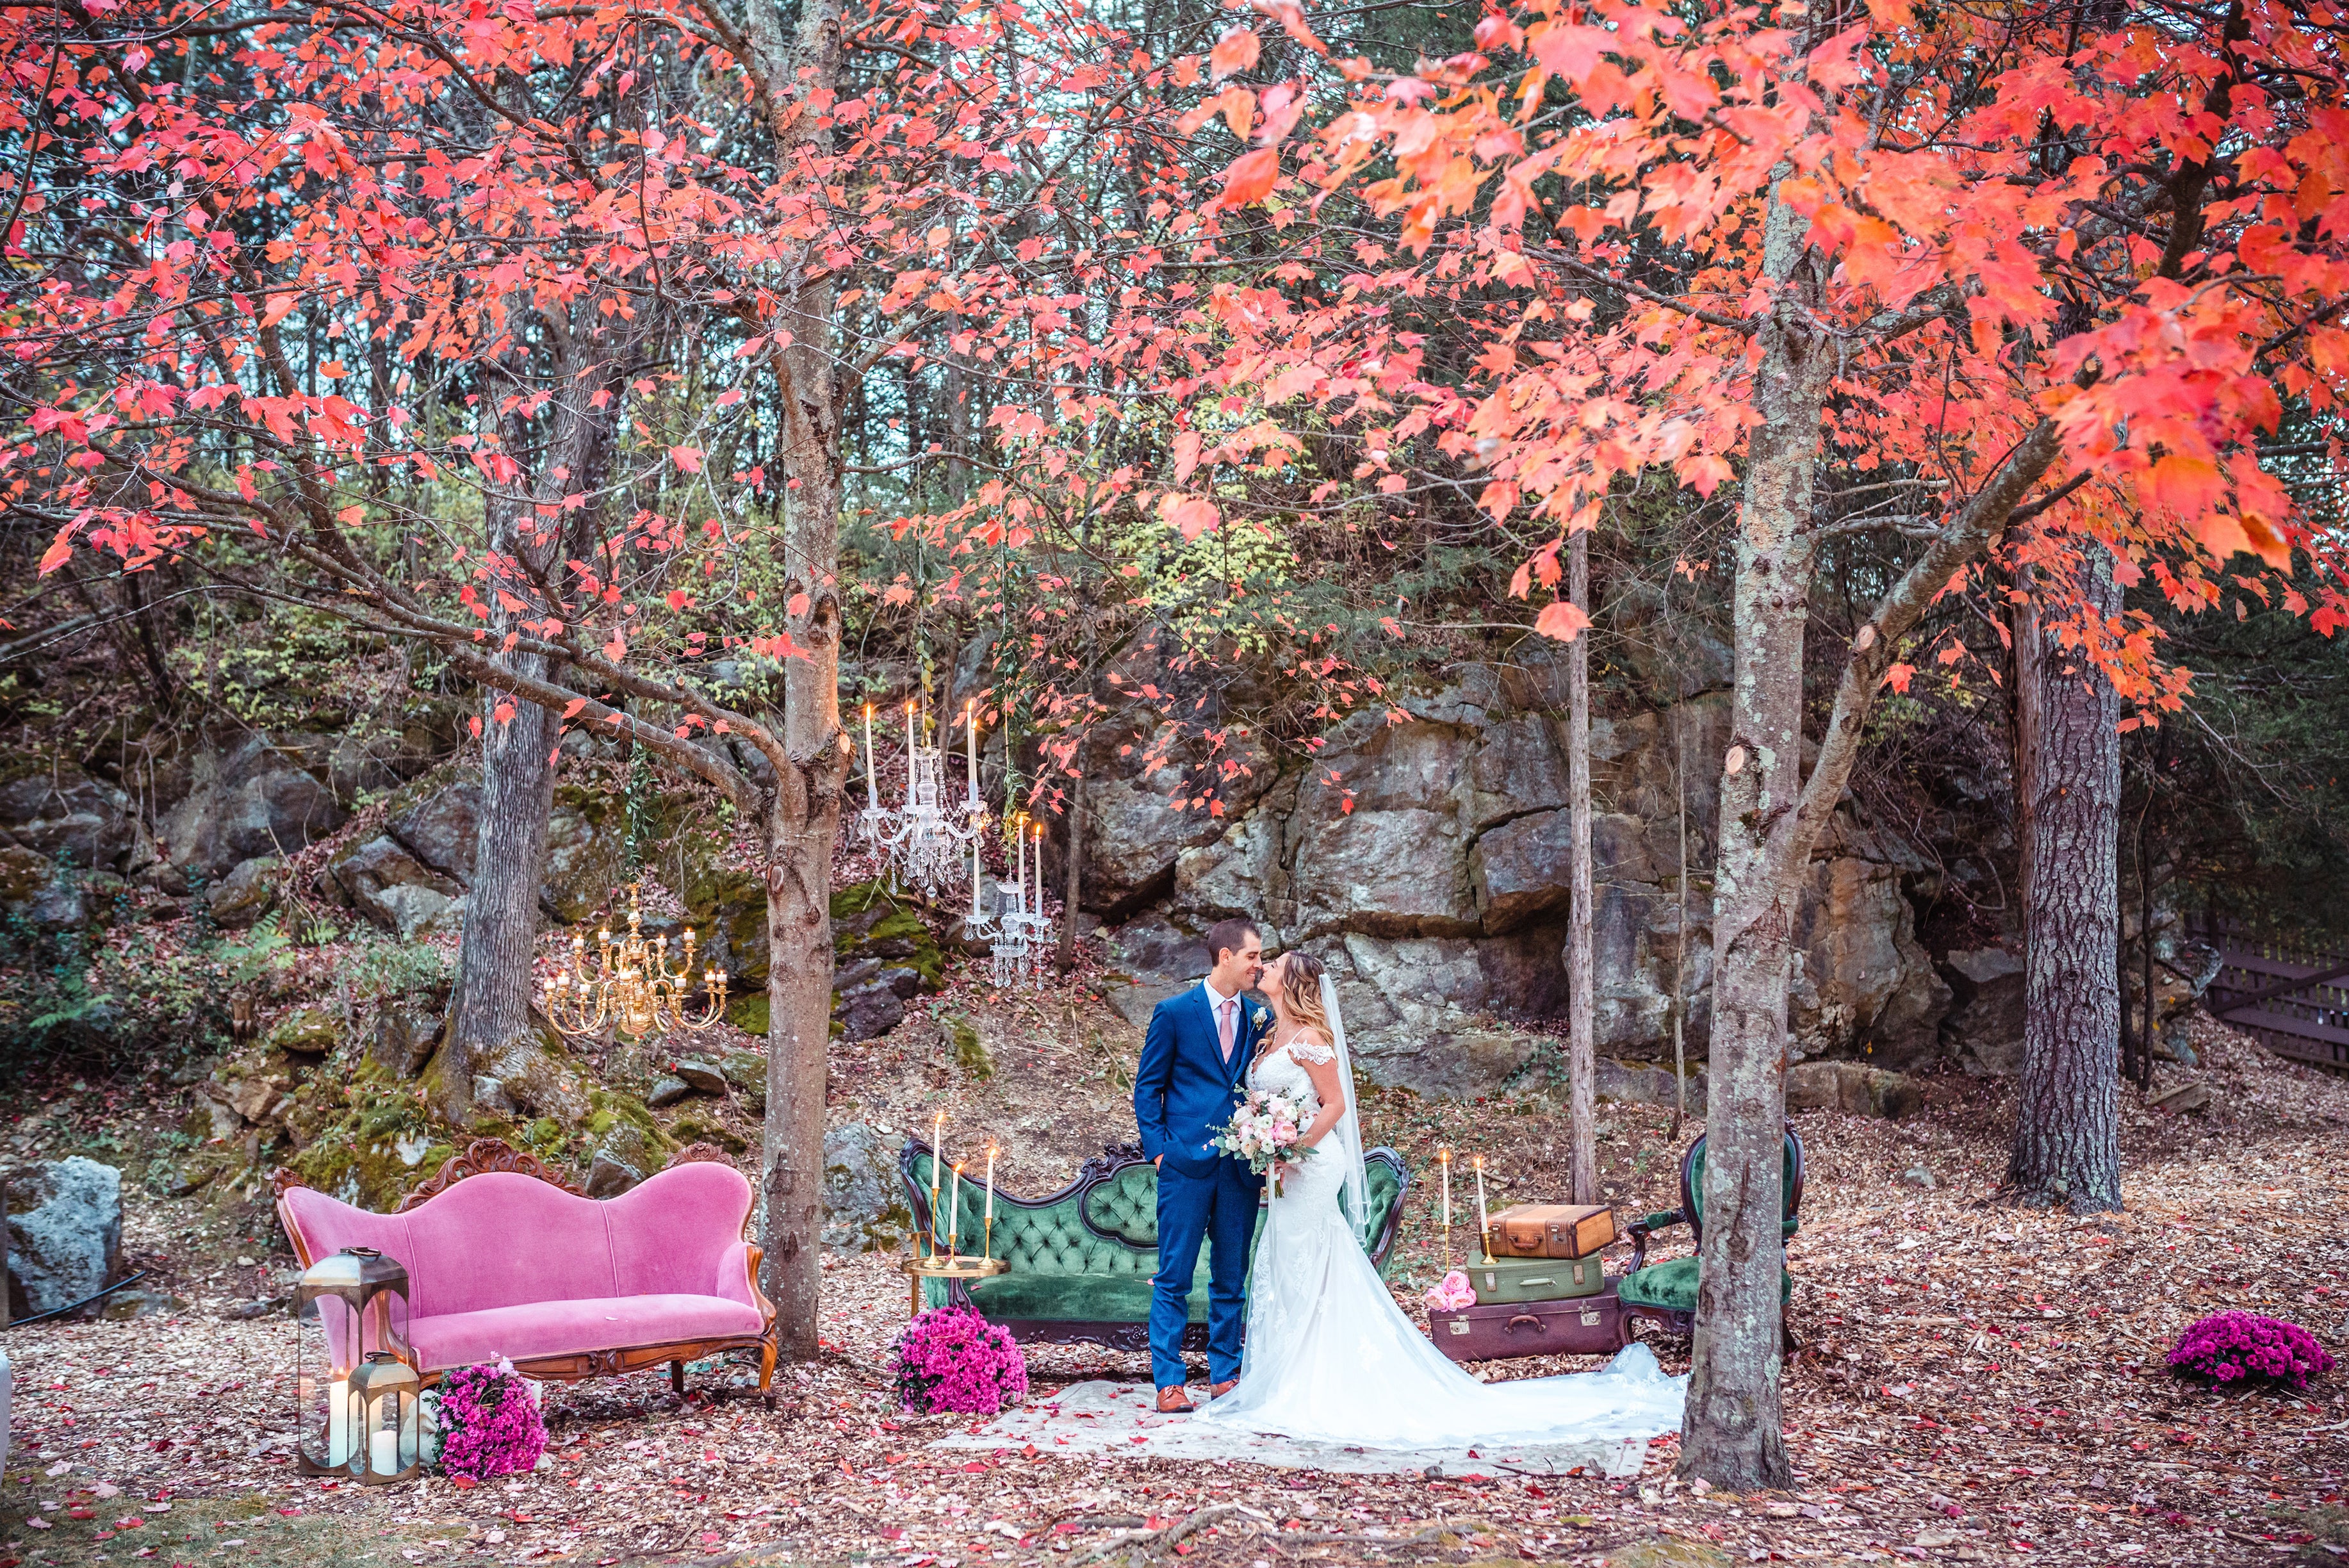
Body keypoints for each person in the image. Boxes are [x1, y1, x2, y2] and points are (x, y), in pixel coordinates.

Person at [1193, 948, 1687, 1450]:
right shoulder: (1267, 1035)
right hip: (1286, 1168)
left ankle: (1309, 1379)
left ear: (1293, 982)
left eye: (1275, 964)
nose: (1265, 967)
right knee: (1286, 1256)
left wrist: (1294, 1147)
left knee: (1304, 1257)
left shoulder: (1310, 1039)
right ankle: (1287, 1373)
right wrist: (1267, 1141)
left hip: (1314, 1165)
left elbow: (1335, 1104)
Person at [1131, 917, 1266, 1414]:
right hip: (1184, 1166)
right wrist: (1160, 1151)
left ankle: (1224, 1375)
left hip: (1240, 1167)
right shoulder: (1174, 1013)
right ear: (1225, 956)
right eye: (1252, 956)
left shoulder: (1260, 1018)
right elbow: (1148, 1087)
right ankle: (1168, 1382)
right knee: (1174, 1277)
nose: (1259, 965)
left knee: (1231, 1278)